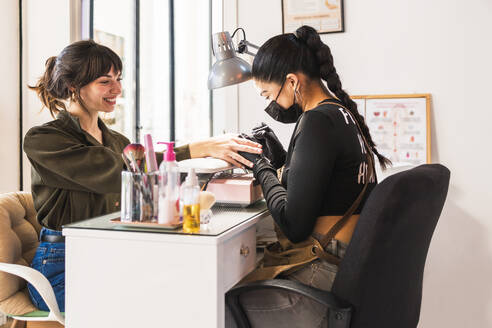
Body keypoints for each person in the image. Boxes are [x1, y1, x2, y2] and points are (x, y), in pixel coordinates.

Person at [23, 40, 262, 312]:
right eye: (105, 81)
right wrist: (195, 148)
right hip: (62, 265)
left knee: (191, 290)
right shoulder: (44, 140)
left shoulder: (117, 140)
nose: (117, 89)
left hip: (112, 255)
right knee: (150, 304)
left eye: (118, 79)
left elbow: (143, 188)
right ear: (73, 87)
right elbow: (120, 173)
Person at [228, 25, 391, 327]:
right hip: (345, 262)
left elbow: (294, 225)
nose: (271, 104)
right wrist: (282, 160)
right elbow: (326, 185)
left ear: (292, 81)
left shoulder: (316, 122)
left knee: (221, 301)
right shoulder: (340, 113)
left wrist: (260, 166)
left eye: (268, 93)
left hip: (322, 269)